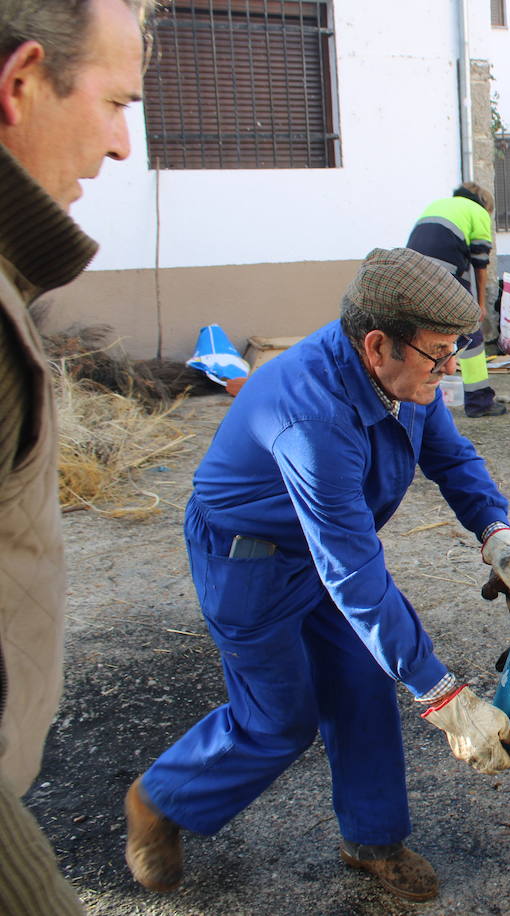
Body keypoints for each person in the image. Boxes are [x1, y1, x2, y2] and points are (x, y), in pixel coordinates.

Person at [122, 248, 510, 902]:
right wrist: (443, 697)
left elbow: (449, 454)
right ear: (379, 345)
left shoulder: (404, 374)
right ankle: (159, 799)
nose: (452, 366)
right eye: (441, 353)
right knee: (277, 719)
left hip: (323, 549)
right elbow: (352, 571)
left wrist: (499, 534)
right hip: (249, 562)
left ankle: (372, 839)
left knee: (363, 680)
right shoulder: (313, 415)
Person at [0, 0, 148, 911]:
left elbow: (443, 449)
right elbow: (337, 547)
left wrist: (495, 529)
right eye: (116, 102)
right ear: (20, 85)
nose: (125, 146)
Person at [406, 180, 507, 417]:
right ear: (485, 205)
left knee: (423, 333)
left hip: (410, 271)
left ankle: (416, 397)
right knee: (470, 332)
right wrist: (479, 304)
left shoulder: (439, 205)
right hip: (443, 273)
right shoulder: (477, 212)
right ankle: (479, 401)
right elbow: (480, 264)